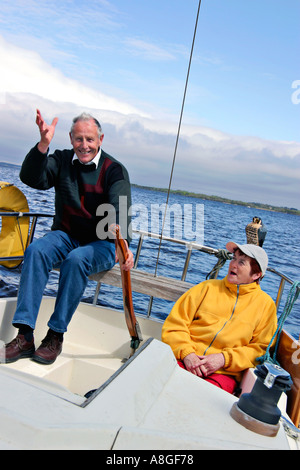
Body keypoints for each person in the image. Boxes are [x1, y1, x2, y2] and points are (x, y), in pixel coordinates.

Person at [1, 109, 133, 365]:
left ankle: (55, 335)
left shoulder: (114, 170)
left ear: (100, 140)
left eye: (90, 139)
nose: (84, 145)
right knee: (35, 251)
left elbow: (120, 206)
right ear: (71, 139)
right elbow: (32, 178)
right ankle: (24, 335)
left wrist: (122, 239)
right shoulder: (62, 160)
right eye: (79, 139)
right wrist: (43, 145)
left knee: (76, 260)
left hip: (102, 242)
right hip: (66, 234)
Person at [161, 242, 278, 394]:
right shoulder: (206, 288)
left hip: (223, 373)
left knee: (204, 400)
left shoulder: (266, 305)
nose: (233, 264)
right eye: (234, 258)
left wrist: (224, 359)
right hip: (184, 359)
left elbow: (260, 349)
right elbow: (174, 326)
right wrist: (187, 354)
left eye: (241, 262)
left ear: (256, 275)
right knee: (161, 384)